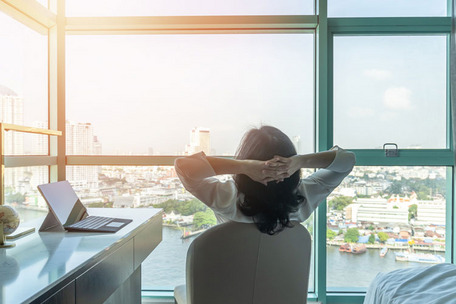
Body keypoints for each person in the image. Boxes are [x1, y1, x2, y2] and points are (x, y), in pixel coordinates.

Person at [174, 126, 356, 235]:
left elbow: (184, 166)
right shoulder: (305, 197)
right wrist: (300, 161)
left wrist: (244, 166)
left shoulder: (226, 197)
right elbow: (348, 160)